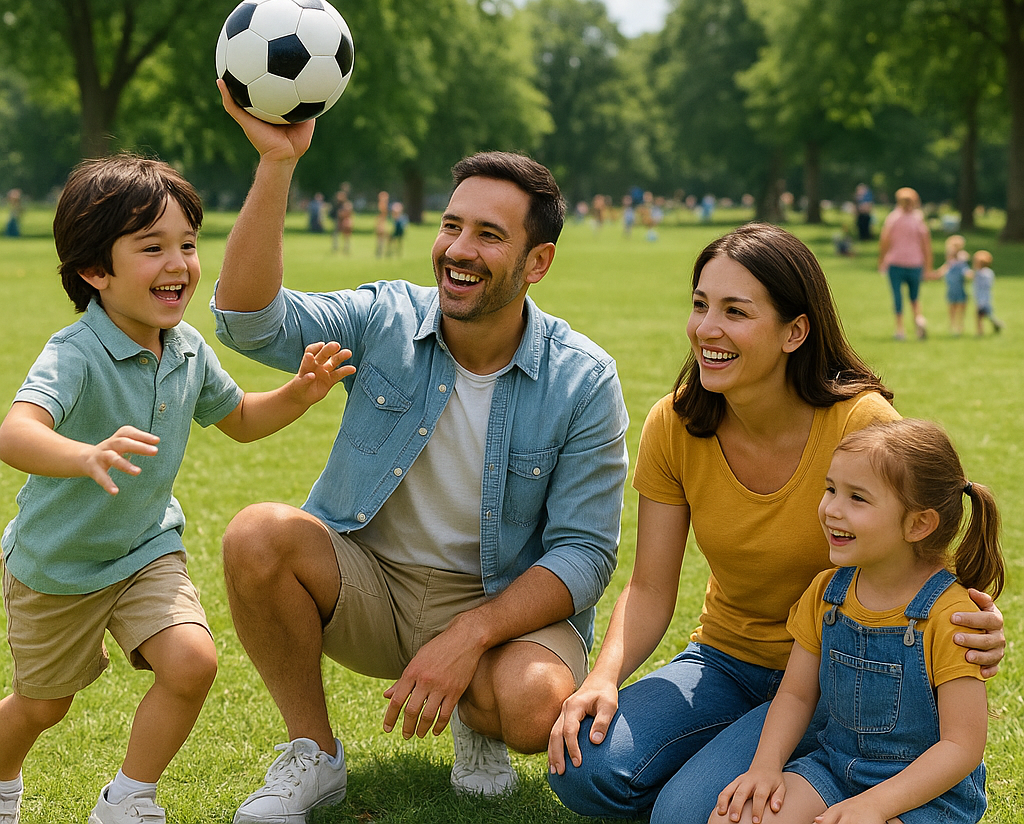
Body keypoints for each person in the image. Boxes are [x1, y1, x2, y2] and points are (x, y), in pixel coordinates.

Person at [212, 81, 629, 822]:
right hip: (372, 586)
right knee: (256, 535)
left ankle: (478, 717)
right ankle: (314, 754)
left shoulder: (583, 378)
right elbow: (250, 322)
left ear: (537, 262)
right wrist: (277, 164)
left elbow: (585, 553)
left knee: (536, 706)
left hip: (500, 601)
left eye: (490, 236)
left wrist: (472, 633)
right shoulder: (384, 317)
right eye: (451, 226)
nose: (459, 251)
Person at [546, 222, 1005, 823]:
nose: (706, 328)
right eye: (700, 305)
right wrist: (602, 679)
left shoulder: (860, 422)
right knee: (584, 765)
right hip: (724, 661)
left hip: (838, 673)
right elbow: (651, 586)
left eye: (735, 311)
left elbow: (913, 547)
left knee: (685, 812)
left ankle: (780, 770)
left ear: (795, 332)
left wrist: (975, 623)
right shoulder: (674, 424)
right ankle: (741, 763)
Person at [0, 155, 354, 824]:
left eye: (187, 244)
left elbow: (239, 419)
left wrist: (299, 393)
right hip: (57, 564)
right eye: (152, 247)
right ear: (95, 270)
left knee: (191, 663)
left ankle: (128, 799)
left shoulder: (187, 346)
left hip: (144, 550)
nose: (179, 264)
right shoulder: (75, 353)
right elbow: (15, 432)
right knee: (44, 705)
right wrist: (84, 454)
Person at [714, 418, 1002, 824]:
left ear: (918, 523)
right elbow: (795, 696)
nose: (832, 509)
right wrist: (765, 767)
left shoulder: (950, 616)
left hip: (924, 793)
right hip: (834, 769)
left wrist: (875, 805)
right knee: (734, 818)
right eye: (831, 489)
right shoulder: (826, 592)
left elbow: (962, 746)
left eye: (857, 498)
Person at [878, 187, 933, 341]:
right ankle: (918, 320)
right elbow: (926, 244)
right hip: (915, 263)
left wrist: (881, 259)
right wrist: (928, 266)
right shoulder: (918, 219)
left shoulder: (893, 218)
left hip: (895, 262)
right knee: (914, 297)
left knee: (897, 296)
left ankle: (900, 329)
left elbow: (885, 240)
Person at [931, 234, 971, 337]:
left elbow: (965, 270)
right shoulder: (950, 262)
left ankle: (959, 325)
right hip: (952, 288)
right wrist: (936, 274)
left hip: (960, 287)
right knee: (952, 306)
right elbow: (944, 268)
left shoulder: (961, 260)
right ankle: (953, 325)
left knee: (961, 306)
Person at [971, 250, 1004, 336]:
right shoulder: (986, 272)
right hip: (982, 298)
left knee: (979, 316)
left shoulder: (982, 273)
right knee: (987, 315)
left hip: (983, 298)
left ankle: (980, 332)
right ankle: (996, 324)